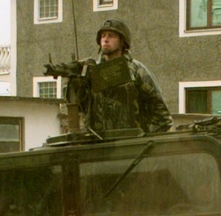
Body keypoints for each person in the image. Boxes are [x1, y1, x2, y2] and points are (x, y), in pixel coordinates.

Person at [44, 19, 172, 135]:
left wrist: (142, 138)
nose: (105, 39)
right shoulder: (90, 71)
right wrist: (76, 85)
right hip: (99, 147)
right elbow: (78, 108)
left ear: (122, 41)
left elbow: (162, 117)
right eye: (103, 36)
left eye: (111, 36)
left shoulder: (137, 71)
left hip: (131, 148)